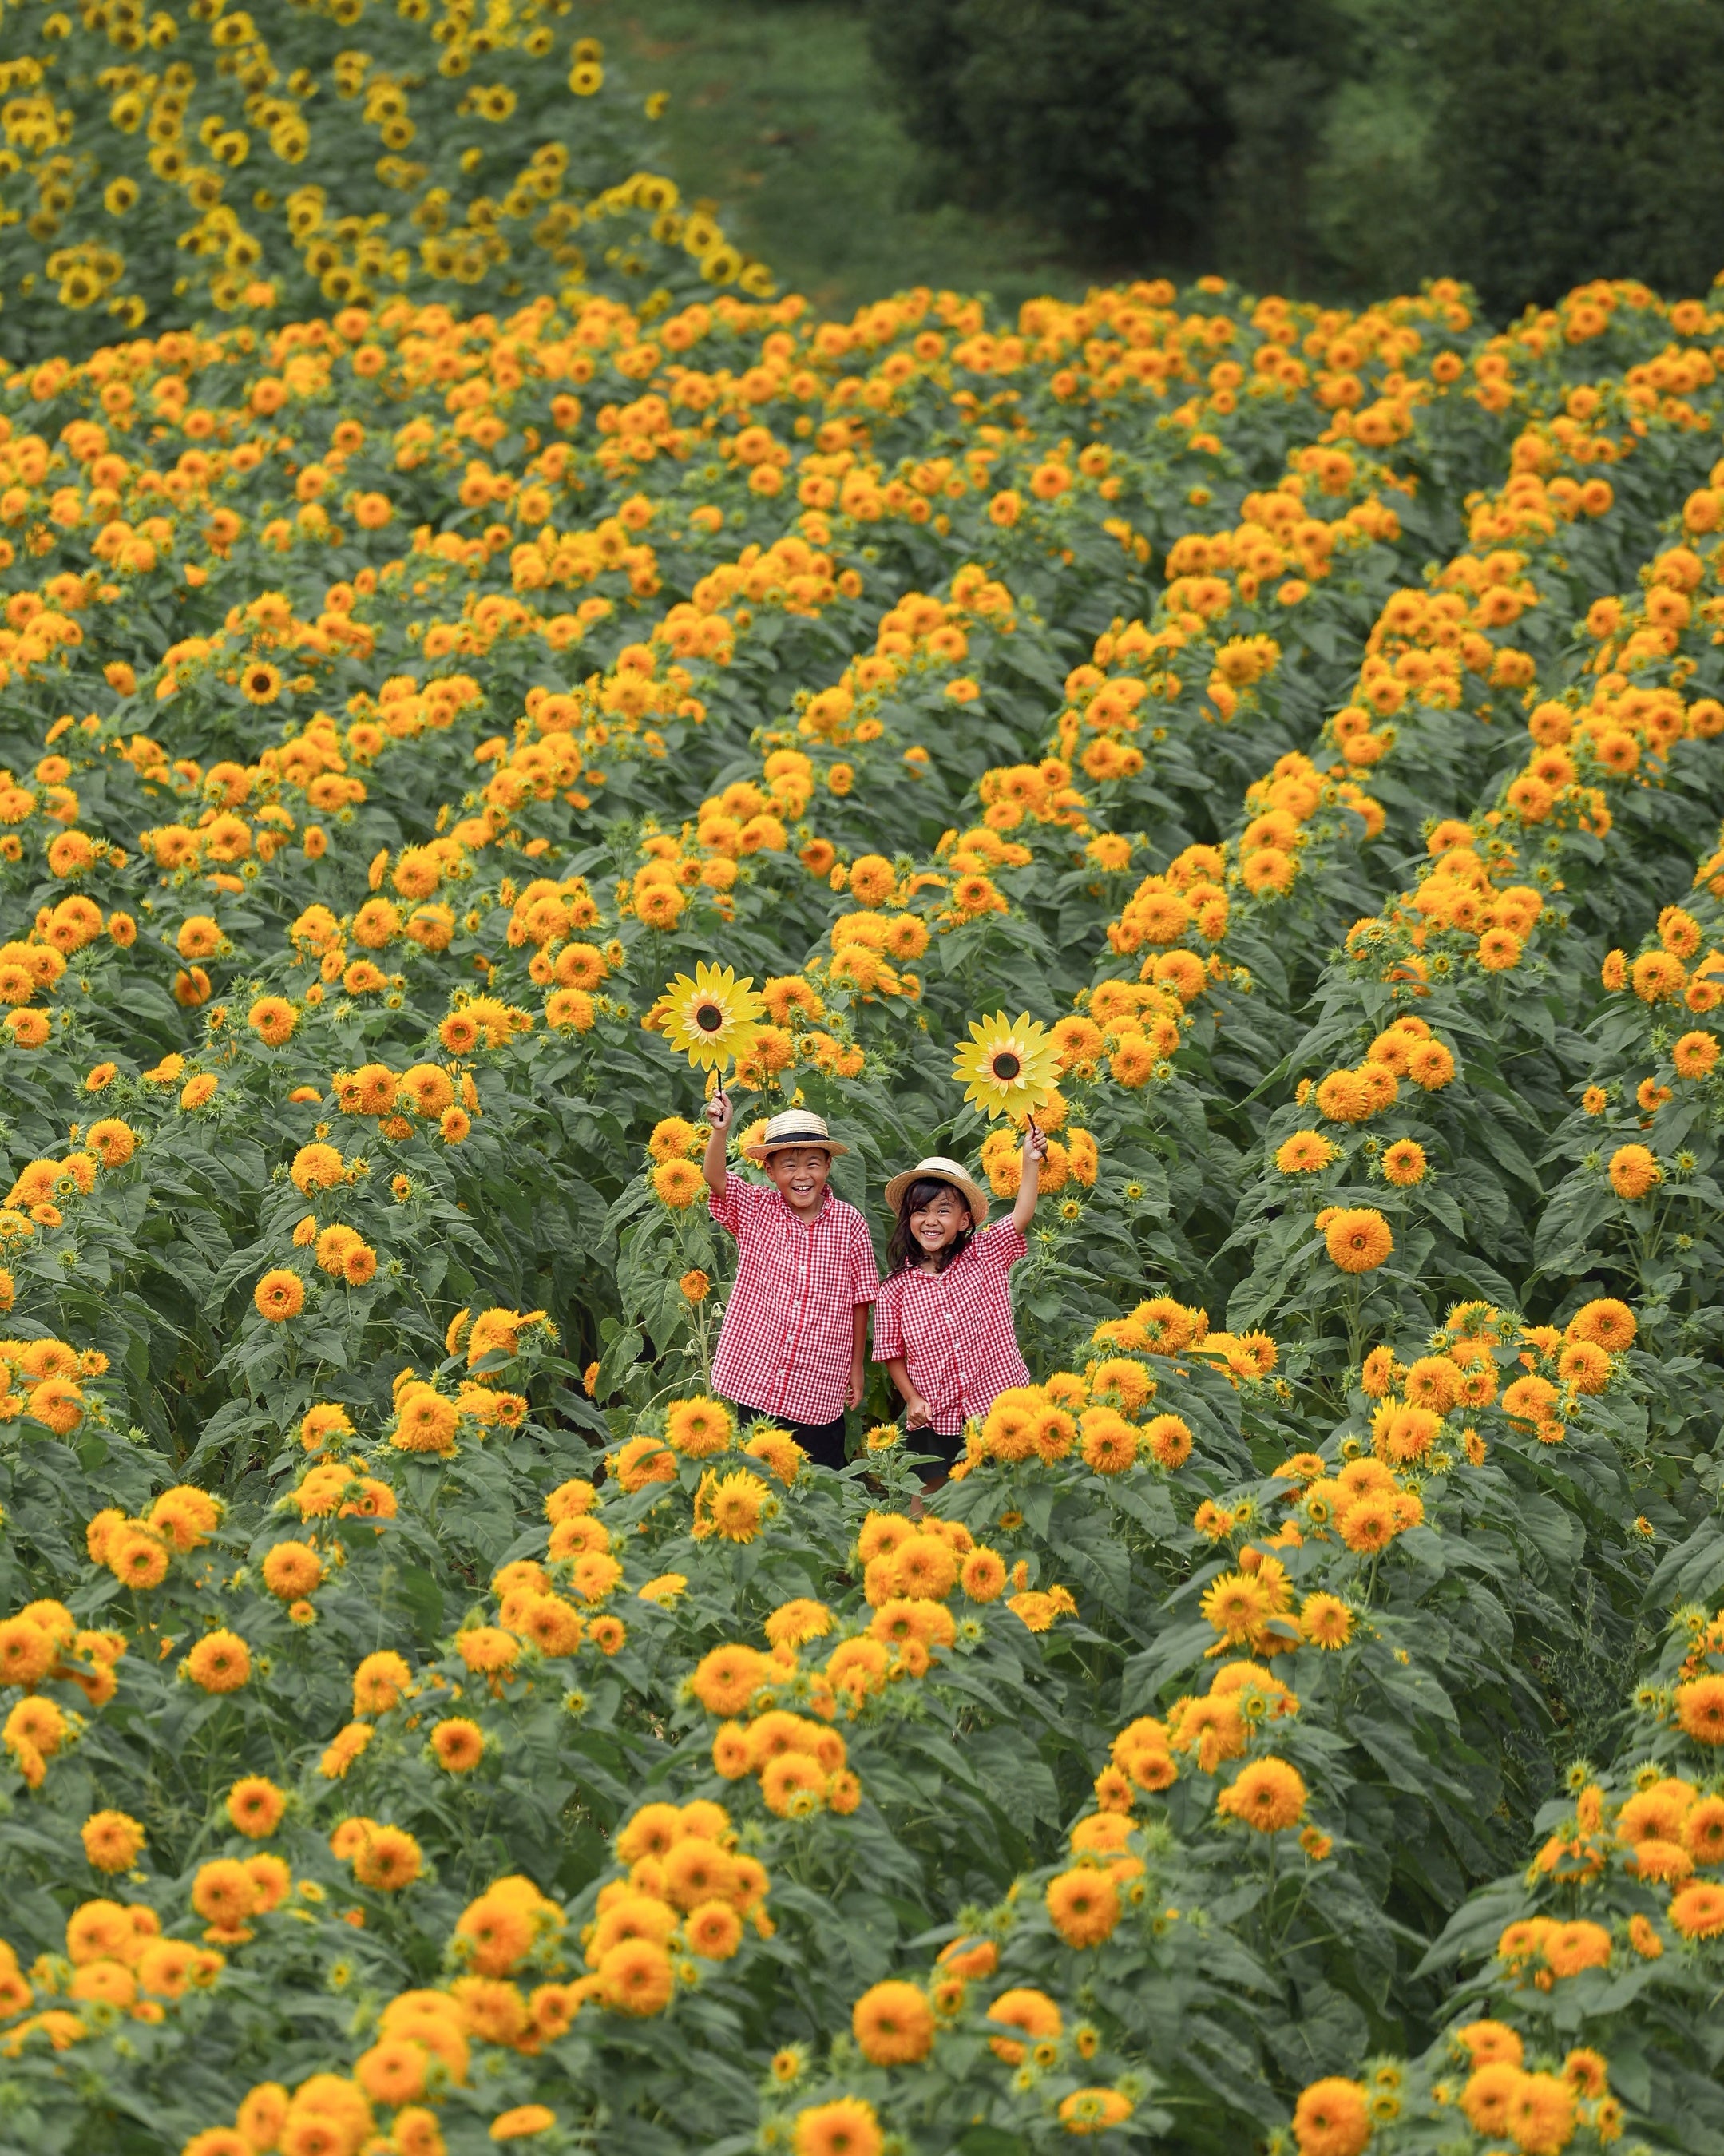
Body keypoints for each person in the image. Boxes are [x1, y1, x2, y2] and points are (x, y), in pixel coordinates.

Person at [701, 1096, 879, 1469]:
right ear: (769, 1170)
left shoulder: (850, 1225)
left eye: (813, 1164)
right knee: (757, 1471)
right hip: (758, 1371)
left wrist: (856, 1365)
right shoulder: (756, 1209)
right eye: (789, 1166)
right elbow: (716, 1179)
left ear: (828, 1165)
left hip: (819, 1375)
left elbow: (861, 1298)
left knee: (819, 1473)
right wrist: (721, 1132)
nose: (802, 1176)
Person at [872, 1124, 1047, 1472]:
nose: (930, 1221)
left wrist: (1030, 1161)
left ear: (964, 1220)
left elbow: (1021, 1215)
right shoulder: (896, 1286)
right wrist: (912, 1398)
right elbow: (891, 1351)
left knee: (1006, 1486)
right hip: (938, 1412)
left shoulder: (985, 1254)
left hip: (998, 1400)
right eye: (920, 1211)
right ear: (908, 1219)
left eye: (943, 1210)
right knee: (929, 1491)